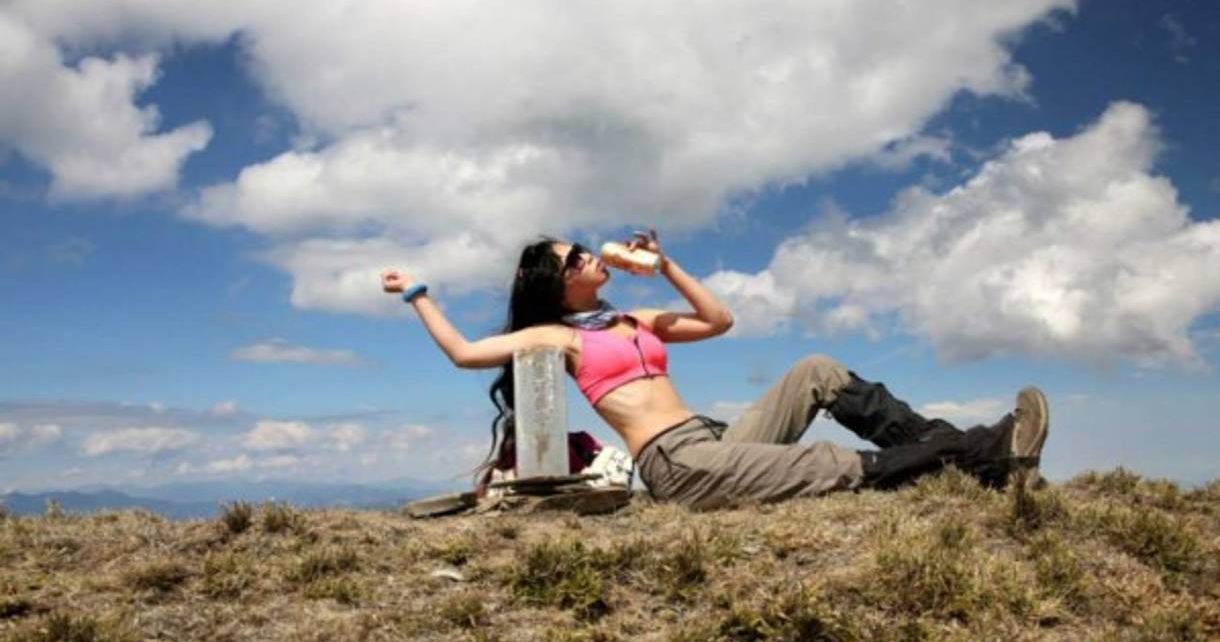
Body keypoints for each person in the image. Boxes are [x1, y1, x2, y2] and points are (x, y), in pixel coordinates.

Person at [379, 231, 1049, 511]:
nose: (587, 257)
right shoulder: (556, 335)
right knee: (826, 464)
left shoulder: (636, 317)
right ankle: (984, 455)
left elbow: (719, 320)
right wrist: (418, 294)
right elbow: (464, 353)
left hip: (715, 439)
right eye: (573, 258)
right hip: (677, 464)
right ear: (556, 284)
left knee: (816, 369)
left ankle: (961, 451)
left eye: (582, 249)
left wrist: (665, 265)